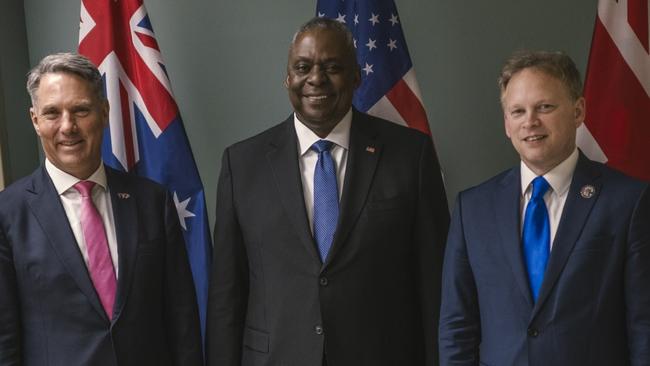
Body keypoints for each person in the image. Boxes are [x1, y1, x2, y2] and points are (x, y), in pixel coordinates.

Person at [207, 17, 449, 366]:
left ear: (356, 77)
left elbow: (435, 285)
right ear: (287, 78)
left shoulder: (411, 155)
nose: (315, 79)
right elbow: (226, 297)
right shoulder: (242, 164)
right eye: (302, 67)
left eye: (332, 67)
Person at [438, 50, 650, 365]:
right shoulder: (473, 208)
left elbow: (643, 325)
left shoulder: (628, 201)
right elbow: (457, 327)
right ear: (507, 124)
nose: (530, 122)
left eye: (545, 107)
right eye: (518, 111)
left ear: (578, 111)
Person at [0, 53, 203, 366]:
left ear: (105, 112)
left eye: (80, 110)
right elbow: (5, 338)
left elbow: (182, 318)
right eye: (52, 113)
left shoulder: (152, 201)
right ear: (35, 120)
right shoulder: (7, 214)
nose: (68, 126)